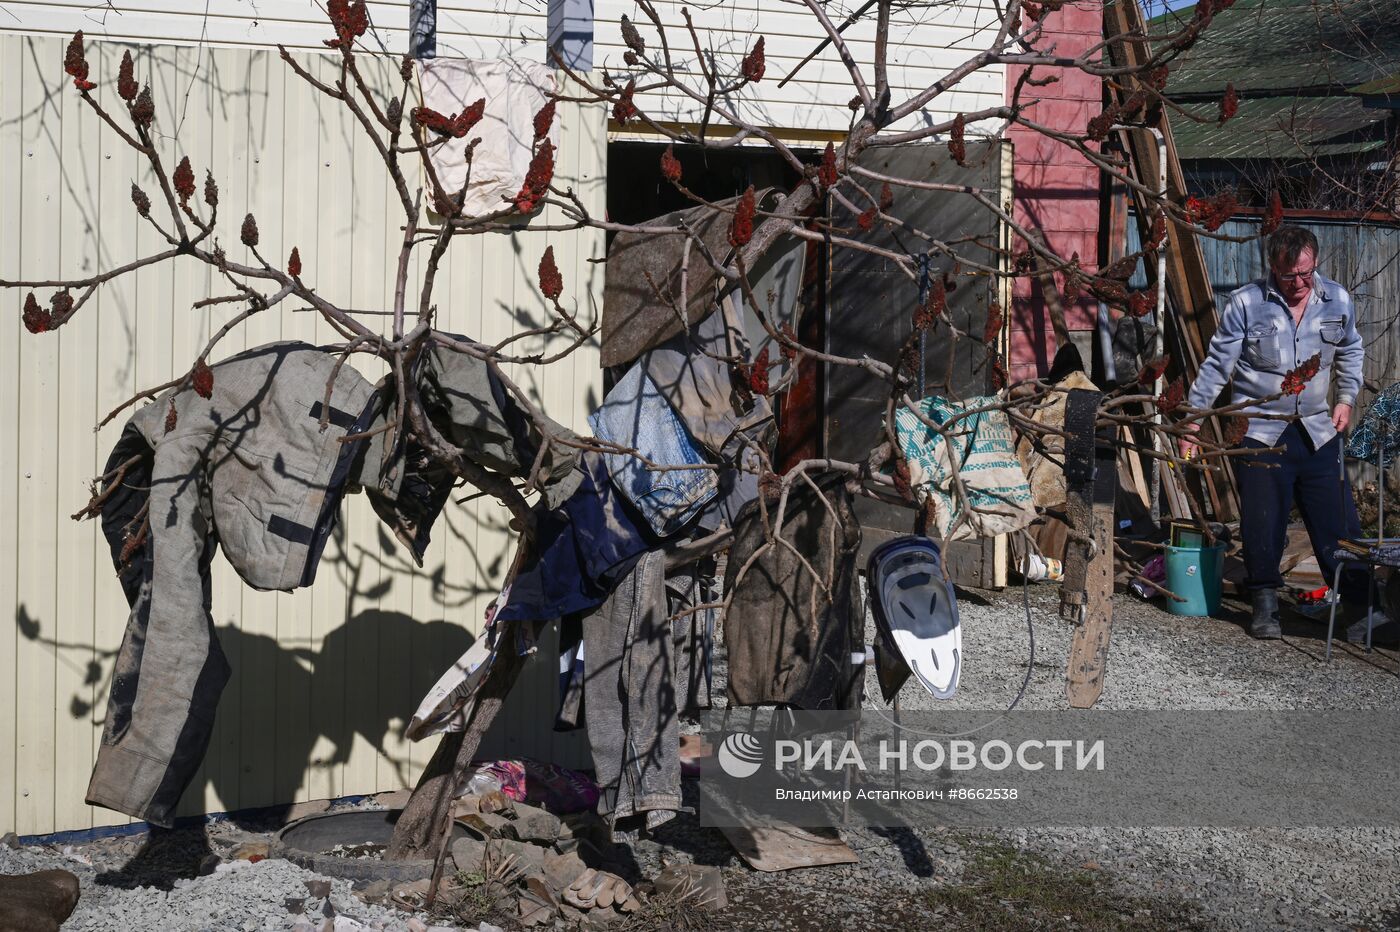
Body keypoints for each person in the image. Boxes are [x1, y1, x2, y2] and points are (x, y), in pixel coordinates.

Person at [1181, 225, 1377, 640]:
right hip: (1261, 432)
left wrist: (1345, 398)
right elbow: (1217, 367)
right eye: (1290, 276)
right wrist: (1192, 423)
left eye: (1306, 273)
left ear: (1315, 263)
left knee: (1339, 522)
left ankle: (1360, 606)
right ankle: (1265, 603)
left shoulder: (1337, 299)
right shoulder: (1246, 303)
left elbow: (1351, 349)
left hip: (1318, 430)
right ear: (1274, 267)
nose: (1299, 284)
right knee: (1262, 521)